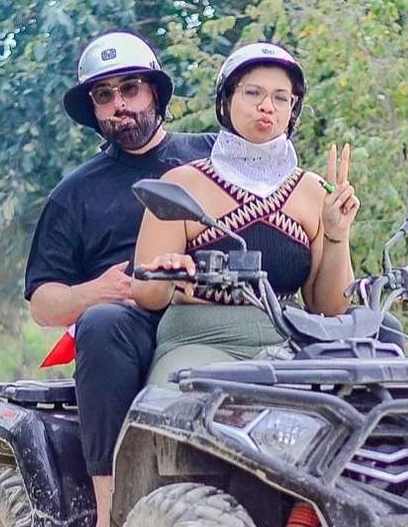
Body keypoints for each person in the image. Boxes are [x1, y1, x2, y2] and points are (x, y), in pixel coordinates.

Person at [28, 30, 215, 527]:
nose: (120, 105)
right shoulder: (75, 193)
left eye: (130, 89)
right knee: (102, 323)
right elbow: (43, 303)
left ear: (155, 92)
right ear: (93, 109)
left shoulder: (212, 157)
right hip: (133, 323)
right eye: (104, 96)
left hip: (220, 308)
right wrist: (99, 291)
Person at [132, 41, 360, 386]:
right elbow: (146, 296)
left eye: (281, 98)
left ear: (293, 110)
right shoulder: (181, 184)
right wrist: (166, 273)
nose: (267, 106)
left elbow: (328, 309)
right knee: (172, 402)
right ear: (225, 101)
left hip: (290, 345)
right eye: (253, 93)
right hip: (200, 342)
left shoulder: (314, 191)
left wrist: (336, 235)